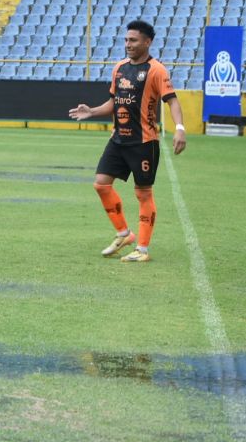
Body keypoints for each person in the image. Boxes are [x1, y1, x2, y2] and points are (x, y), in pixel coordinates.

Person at [69, 19, 186, 262]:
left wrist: (180, 128)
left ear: (147, 42)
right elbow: (114, 102)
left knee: (143, 194)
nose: (128, 44)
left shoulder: (156, 70)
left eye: (133, 40)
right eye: (126, 40)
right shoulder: (119, 68)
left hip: (143, 142)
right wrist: (91, 111)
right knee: (101, 184)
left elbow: (172, 100)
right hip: (118, 140)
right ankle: (124, 233)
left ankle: (142, 249)